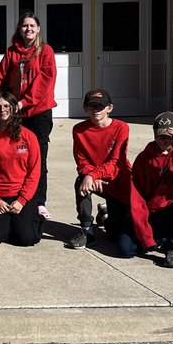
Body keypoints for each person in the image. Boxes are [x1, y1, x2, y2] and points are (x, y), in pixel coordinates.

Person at [116, 112, 173, 268]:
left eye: (168, 136)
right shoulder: (145, 158)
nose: (163, 140)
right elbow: (137, 199)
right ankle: (157, 239)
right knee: (125, 250)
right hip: (150, 214)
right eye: (159, 136)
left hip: (172, 213)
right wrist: (146, 237)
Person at [0, 12, 57, 218]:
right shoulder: (12, 52)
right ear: (19, 29)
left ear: (38, 29)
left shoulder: (45, 52)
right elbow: (0, 79)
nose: (28, 29)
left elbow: (45, 81)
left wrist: (23, 102)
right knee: (14, 156)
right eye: (24, 26)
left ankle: (39, 201)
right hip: (15, 113)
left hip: (38, 112)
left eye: (32, 26)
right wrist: (4, 102)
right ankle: (16, 196)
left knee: (39, 158)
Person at [67, 89, 131, 249]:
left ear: (110, 108)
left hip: (117, 181)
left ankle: (107, 214)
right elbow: (81, 160)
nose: (96, 110)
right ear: (85, 109)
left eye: (100, 107)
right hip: (94, 180)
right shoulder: (79, 130)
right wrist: (89, 176)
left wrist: (93, 174)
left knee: (114, 236)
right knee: (81, 182)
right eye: (91, 106)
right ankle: (86, 230)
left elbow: (116, 161)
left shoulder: (121, 128)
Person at [0, 92, 42, 247]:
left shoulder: (29, 137)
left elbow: (34, 172)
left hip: (20, 196)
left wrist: (22, 200)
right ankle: (6, 223)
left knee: (27, 239)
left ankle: (34, 216)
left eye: (6, 106)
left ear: (14, 108)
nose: (3, 110)